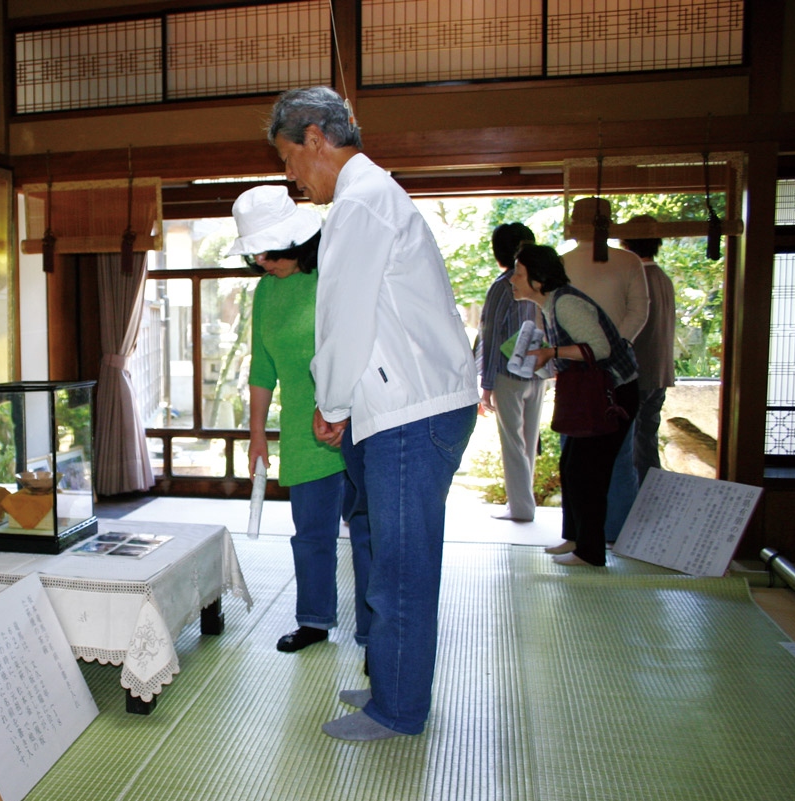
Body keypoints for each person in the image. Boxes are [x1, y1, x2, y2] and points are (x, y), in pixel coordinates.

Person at [268, 87, 478, 741]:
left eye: (288, 159)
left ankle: (399, 708)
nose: (291, 176)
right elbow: (373, 323)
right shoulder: (372, 197)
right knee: (380, 552)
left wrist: (331, 405)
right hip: (394, 409)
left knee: (401, 568)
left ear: (312, 138)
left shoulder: (362, 201)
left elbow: (346, 318)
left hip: (411, 416)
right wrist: (347, 409)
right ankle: (391, 681)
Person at [228, 184, 346, 653]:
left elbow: (350, 349)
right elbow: (262, 367)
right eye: (256, 255)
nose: (263, 263)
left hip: (353, 423)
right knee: (311, 532)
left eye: (271, 254)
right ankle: (314, 621)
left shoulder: (331, 279)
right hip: (302, 429)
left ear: (298, 243)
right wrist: (258, 435)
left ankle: (375, 632)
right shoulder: (264, 292)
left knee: (371, 530)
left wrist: (339, 407)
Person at [512, 244, 639, 567]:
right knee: (572, 467)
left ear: (538, 279)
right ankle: (576, 538)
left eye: (520, 273)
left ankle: (591, 552)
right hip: (597, 395)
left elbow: (600, 349)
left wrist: (551, 353)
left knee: (588, 472)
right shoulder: (551, 304)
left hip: (613, 397)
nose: (513, 279)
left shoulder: (565, 303)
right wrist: (545, 358)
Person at [561, 197, 647, 541]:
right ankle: (602, 535)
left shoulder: (565, 262)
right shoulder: (626, 261)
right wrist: (614, 348)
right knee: (609, 458)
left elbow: (639, 312)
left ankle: (582, 536)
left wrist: (593, 352)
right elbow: (639, 313)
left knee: (580, 457)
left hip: (584, 370)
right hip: (607, 370)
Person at [478, 222, 544, 522]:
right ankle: (525, 505)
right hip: (538, 371)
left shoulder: (503, 285)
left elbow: (490, 337)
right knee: (529, 440)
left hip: (508, 373)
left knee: (513, 443)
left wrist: (486, 384)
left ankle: (520, 508)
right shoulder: (541, 282)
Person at [621, 215, 677, 484]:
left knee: (634, 445)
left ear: (626, 244)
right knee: (646, 438)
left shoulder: (637, 279)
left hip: (638, 372)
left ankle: (641, 503)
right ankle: (650, 497)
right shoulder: (662, 277)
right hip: (660, 371)